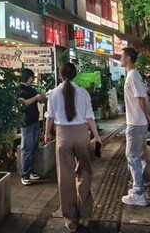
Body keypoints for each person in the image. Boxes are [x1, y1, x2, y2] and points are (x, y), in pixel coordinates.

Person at [44, 62, 102, 232]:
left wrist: (47, 133)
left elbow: (50, 117)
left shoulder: (53, 93)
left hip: (63, 135)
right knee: (84, 172)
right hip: (82, 135)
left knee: (65, 177)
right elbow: (90, 118)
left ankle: (71, 220)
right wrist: (97, 136)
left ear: (61, 74)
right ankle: (84, 215)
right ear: (75, 75)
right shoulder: (84, 93)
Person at [121, 46, 150, 207]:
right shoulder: (133, 74)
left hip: (135, 122)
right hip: (139, 122)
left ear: (128, 58)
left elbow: (141, 98)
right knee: (141, 156)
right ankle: (145, 187)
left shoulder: (132, 75)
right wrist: (147, 116)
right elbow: (142, 97)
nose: (121, 58)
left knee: (132, 156)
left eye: (122, 56)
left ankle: (138, 192)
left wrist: (147, 115)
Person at [18, 68, 45, 185]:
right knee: (27, 149)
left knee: (34, 147)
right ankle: (25, 174)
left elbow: (39, 101)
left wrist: (41, 97)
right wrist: (35, 98)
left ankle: (31, 171)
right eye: (31, 77)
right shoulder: (20, 89)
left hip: (35, 120)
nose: (32, 79)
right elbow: (22, 103)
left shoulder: (32, 89)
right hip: (26, 122)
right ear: (27, 77)